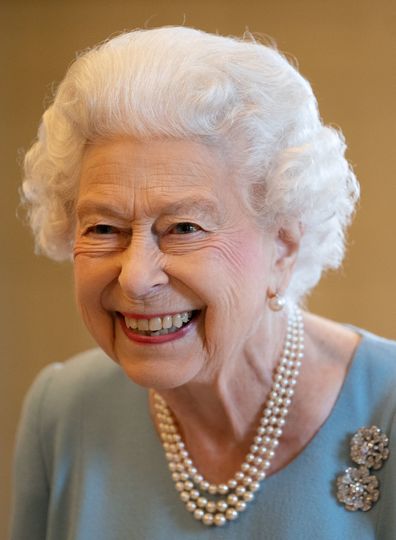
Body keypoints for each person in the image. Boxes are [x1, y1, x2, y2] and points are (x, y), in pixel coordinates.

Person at [10, 27, 396, 539]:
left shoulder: (385, 404)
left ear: (283, 244)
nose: (137, 276)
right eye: (104, 228)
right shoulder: (61, 412)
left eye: (184, 228)